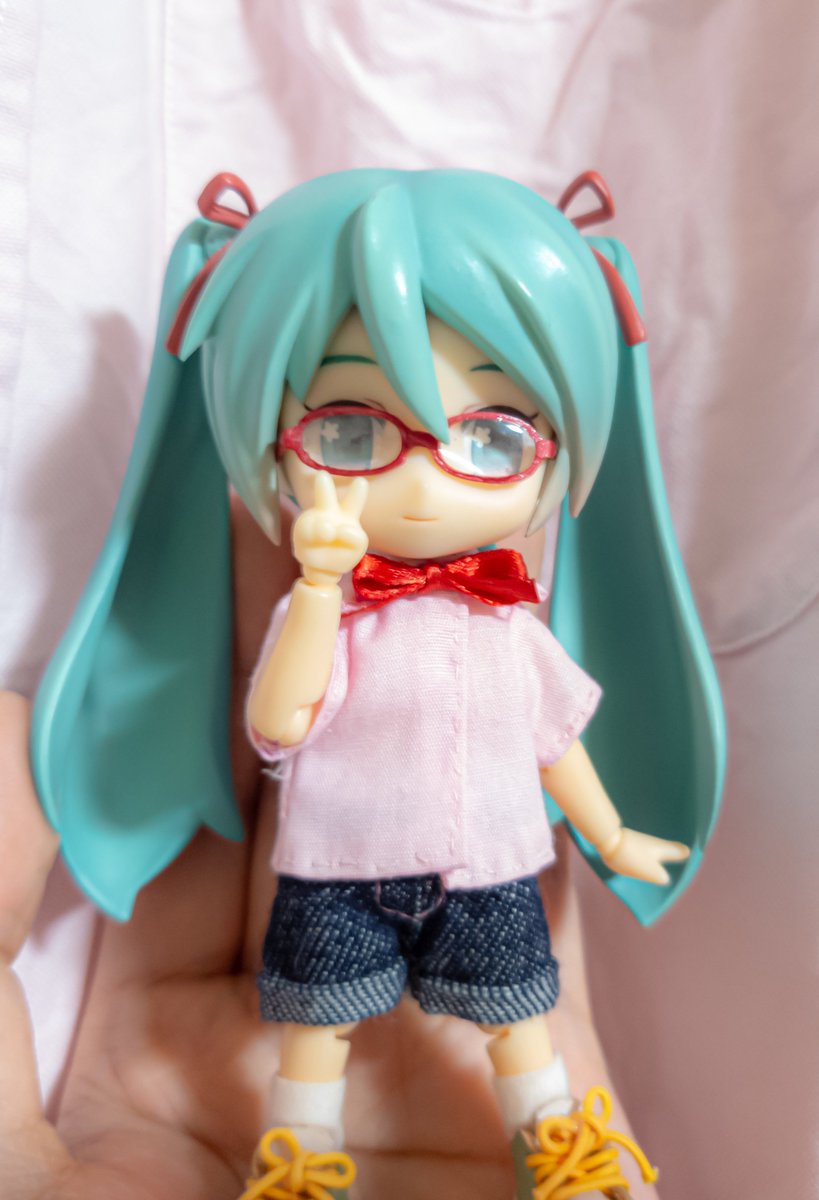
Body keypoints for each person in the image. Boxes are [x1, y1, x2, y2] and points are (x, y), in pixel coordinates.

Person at [26, 168, 723, 1198]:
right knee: (315, 1029)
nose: (427, 479)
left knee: (523, 1020)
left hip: (489, 863)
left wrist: (609, 832)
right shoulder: (329, 611)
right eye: (350, 433)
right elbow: (278, 722)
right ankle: (301, 1157)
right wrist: (315, 587)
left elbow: (552, 742)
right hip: (334, 866)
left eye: (492, 437)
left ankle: (555, 1145)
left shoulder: (504, 622)